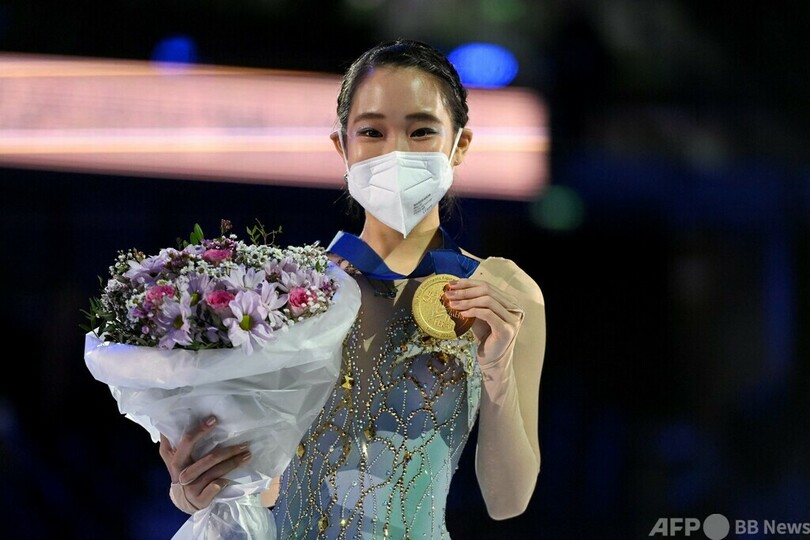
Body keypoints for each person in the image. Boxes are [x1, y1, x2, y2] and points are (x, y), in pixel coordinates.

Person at [159, 38, 546, 539]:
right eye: (372, 132)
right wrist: (193, 488)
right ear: (342, 147)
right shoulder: (286, 291)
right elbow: (258, 479)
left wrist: (496, 376)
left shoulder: (503, 292)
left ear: (461, 145)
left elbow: (508, 501)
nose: (396, 151)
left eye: (422, 130)